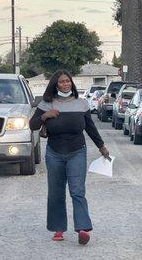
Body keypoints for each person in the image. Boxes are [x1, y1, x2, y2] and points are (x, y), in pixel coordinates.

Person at [29, 70, 109, 245]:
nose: (65, 84)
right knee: (56, 191)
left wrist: (101, 146)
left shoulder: (81, 103)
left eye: (68, 81)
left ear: (71, 84)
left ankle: (82, 228)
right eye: (61, 82)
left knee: (77, 191)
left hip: (77, 151)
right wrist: (44, 116)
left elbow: (90, 128)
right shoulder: (47, 104)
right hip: (54, 153)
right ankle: (58, 228)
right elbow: (32, 125)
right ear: (55, 85)